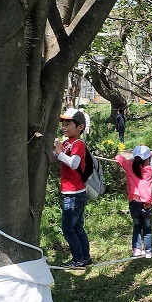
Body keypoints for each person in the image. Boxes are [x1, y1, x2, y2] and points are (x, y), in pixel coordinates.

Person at [53, 108, 92, 268]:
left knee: (68, 229)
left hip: (74, 194)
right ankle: (85, 258)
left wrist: (60, 153)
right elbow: (59, 157)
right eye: (63, 123)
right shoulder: (68, 142)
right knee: (77, 227)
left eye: (68, 123)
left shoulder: (78, 143)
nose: (64, 126)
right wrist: (57, 151)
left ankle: (78, 260)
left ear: (80, 127)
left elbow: (74, 163)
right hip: (73, 193)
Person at [115, 145, 152, 258]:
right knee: (147, 229)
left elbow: (118, 157)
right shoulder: (149, 170)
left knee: (137, 226)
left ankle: (136, 250)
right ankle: (148, 251)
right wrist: (151, 154)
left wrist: (132, 159)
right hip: (146, 203)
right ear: (147, 159)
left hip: (134, 203)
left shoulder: (129, 166)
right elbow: (150, 162)